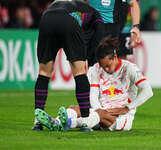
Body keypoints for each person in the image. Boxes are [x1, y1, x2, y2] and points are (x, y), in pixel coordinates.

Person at [34, 35, 153, 131]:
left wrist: (127, 108)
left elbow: (148, 91)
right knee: (74, 108)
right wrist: (98, 109)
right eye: (102, 66)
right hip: (100, 112)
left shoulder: (129, 68)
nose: (105, 69)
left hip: (121, 119)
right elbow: (93, 94)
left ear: (115, 57)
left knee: (98, 114)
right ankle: (56, 122)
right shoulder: (95, 69)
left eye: (107, 65)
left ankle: (68, 123)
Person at [32, 0, 102, 131]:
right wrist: (90, 56)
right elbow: (99, 30)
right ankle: (86, 121)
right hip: (68, 22)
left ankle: (37, 121)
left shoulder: (56, 2)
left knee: (44, 73)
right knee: (80, 73)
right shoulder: (89, 10)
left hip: (46, 19)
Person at [84, 0, 141, 66]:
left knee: (118, 59)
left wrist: (135, 27)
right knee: (93, 62)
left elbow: (135, 3)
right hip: (97, 26)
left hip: (119, 27)